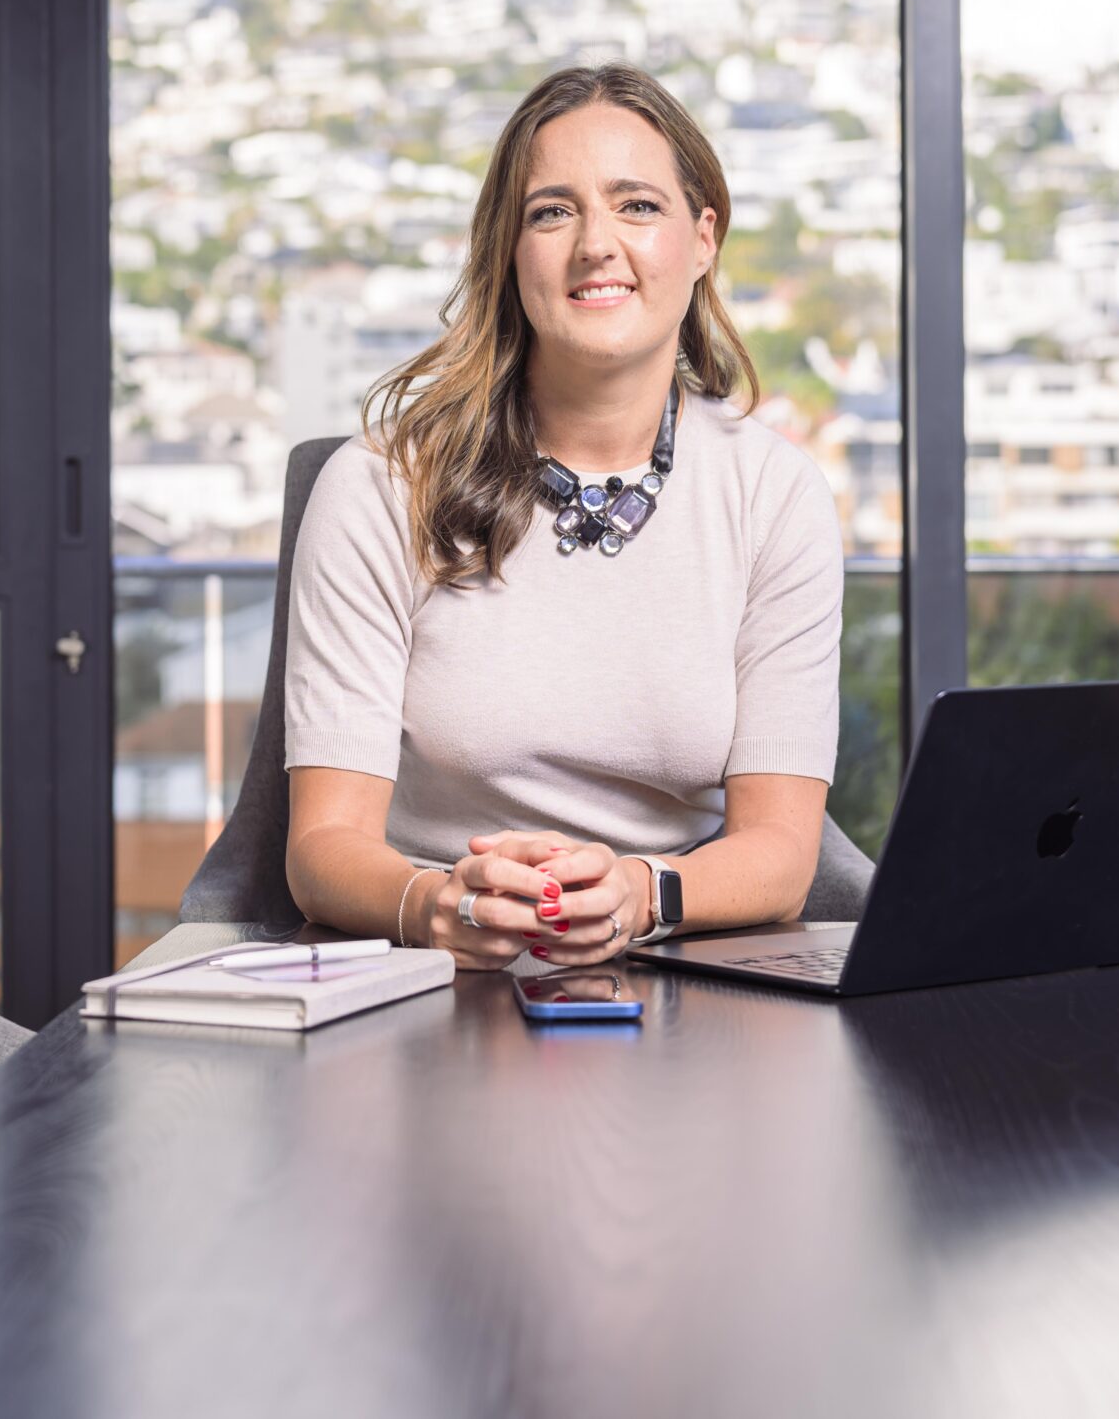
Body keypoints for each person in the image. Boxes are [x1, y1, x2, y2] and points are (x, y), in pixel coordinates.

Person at [281, 61, 845, 971]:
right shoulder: (381, 485)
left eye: (638, 206)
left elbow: (781, 854)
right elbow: (321, 848)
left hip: (682, 963)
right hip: (432, 970)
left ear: (703, 239)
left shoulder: (776, 495)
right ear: (509, 250)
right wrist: (441, 908)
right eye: (552, 211)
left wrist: (638, 892)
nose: (596, 244)